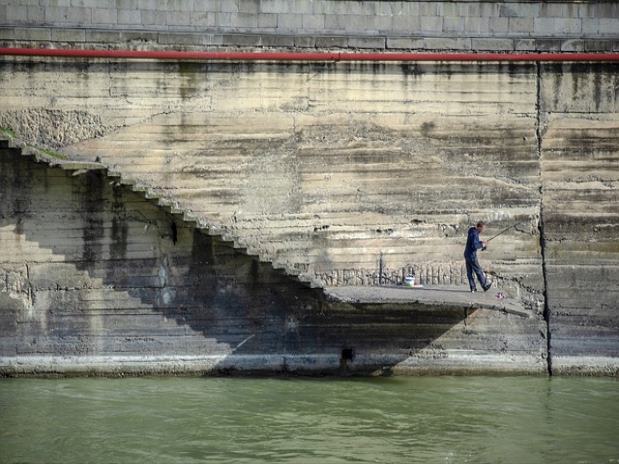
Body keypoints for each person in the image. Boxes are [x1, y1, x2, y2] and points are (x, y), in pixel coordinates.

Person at [464, 221, 493, 293]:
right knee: (478, 270)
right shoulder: (475, 234)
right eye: (483, 229)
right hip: (472, 256)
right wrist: (482, 245)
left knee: (469, 272)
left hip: (467, 254)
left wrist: (482, 243)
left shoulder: (472, 230)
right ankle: (484, 285)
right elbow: (474, 246)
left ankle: (472, 288)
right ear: (479, 227)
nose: (483, 230)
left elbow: (474, 242)